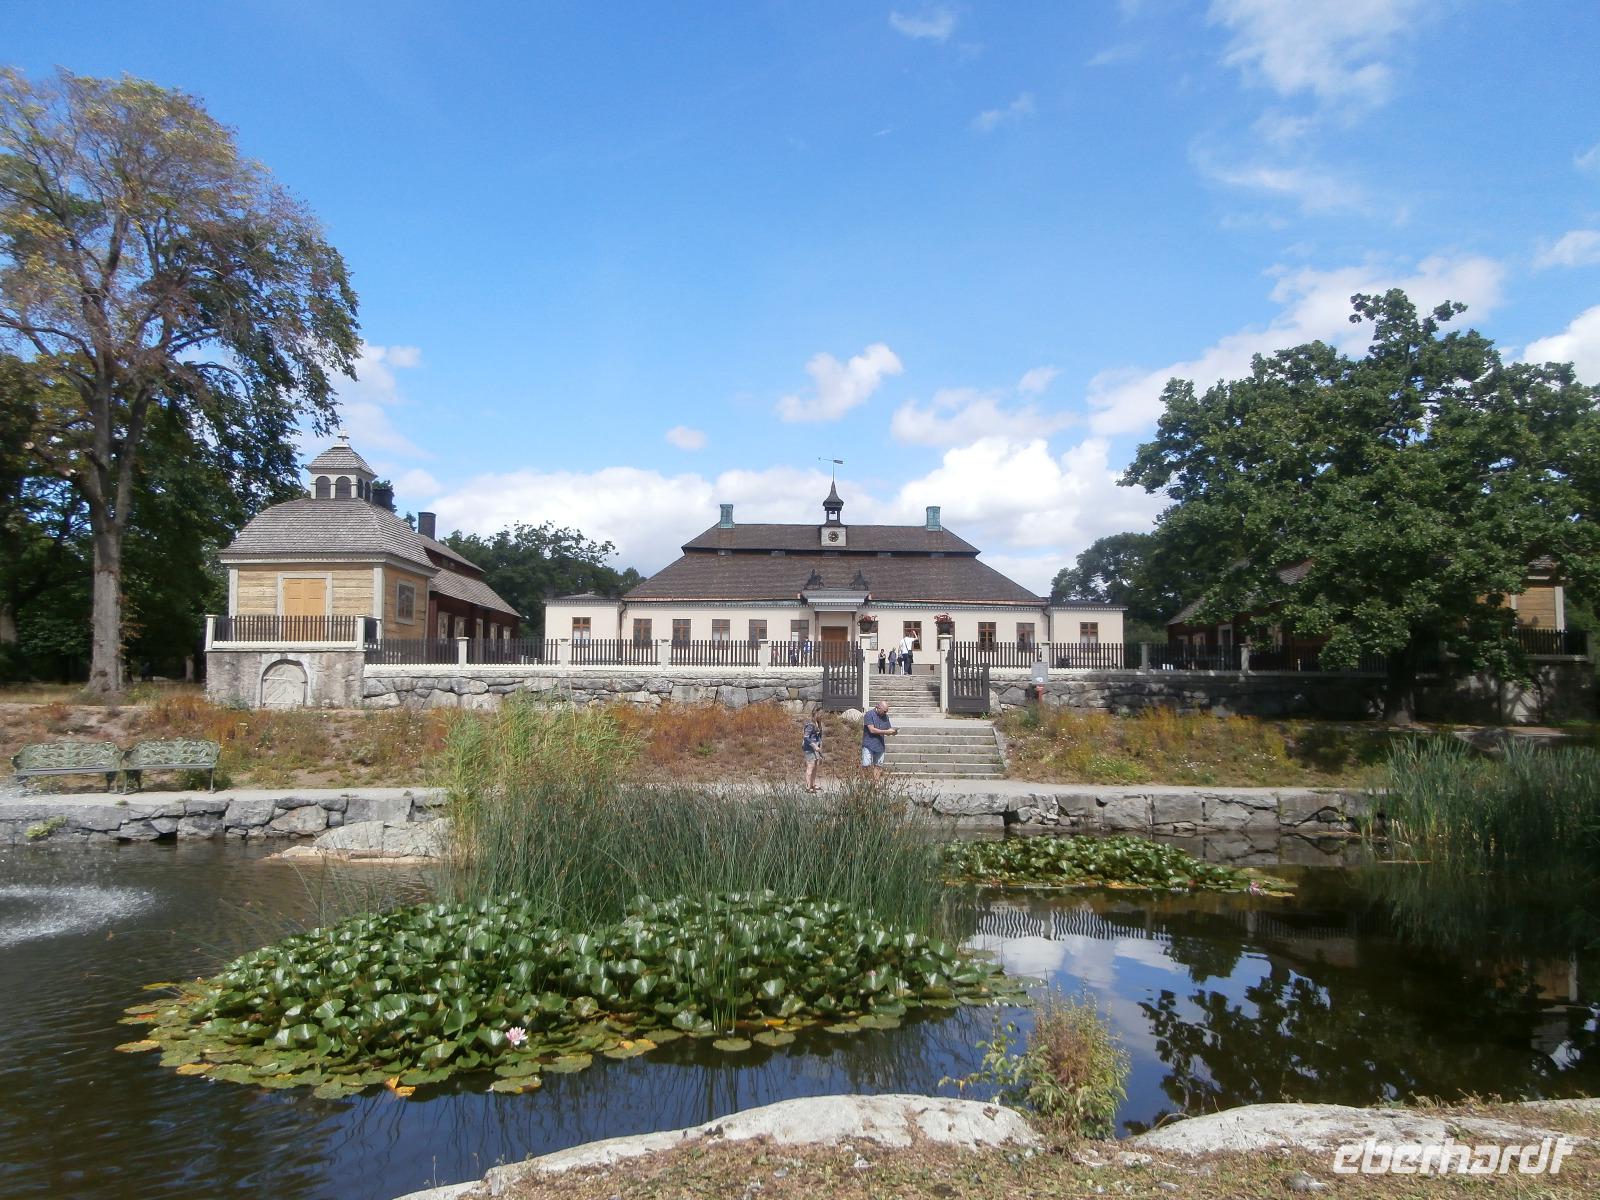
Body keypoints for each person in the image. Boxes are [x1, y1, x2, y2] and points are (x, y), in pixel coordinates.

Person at [860, 700, 896, 778]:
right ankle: (863, 784)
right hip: (869, 744)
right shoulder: (869, 714)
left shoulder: (885, 716)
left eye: (886, 711)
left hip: (880, 744)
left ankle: (875, 785)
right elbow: (872, 730)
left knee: (878, 765)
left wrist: (892, 732)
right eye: (884, 711)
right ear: (878, 708)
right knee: (866, 765)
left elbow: (888, 729)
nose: (885, 713)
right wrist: (886, 731)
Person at [801, 706, 825, 792]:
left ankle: (812, 784)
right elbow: (806, 737)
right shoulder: (810, 724)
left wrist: (820, 747)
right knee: (810, 766)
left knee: (815, 766)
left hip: (816, 748)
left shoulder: (818, 724)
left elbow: (819, 737)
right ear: (816, 714)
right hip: (809, 748)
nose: (822, 716)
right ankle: (807, 787)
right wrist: (814, 746)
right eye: (821, 714)